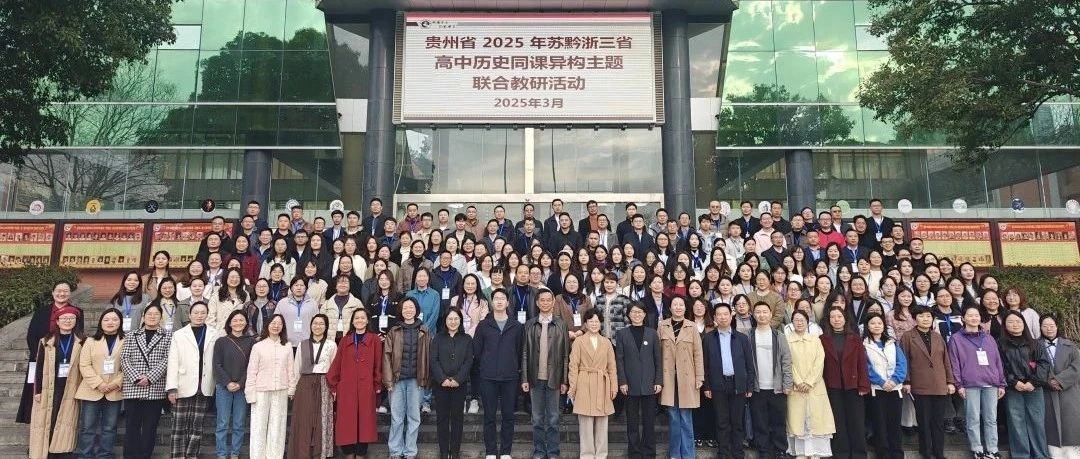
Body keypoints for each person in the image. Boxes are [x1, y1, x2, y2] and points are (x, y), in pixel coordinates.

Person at [19, 280, 84, 425]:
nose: (62, 293)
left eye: (65, 291)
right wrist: (39, 354)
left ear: (70, 293)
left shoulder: (77, 312)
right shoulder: (41, 311)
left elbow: (79, 335)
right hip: (40, 357)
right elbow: (31, 335)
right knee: (35, 392)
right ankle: (36, 427)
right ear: (53, 293)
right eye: (58, 291)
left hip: (64, 359)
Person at [948, 305, 1007, 459]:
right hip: (970, 383)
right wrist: (959, 384)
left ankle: (992, 449)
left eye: (976, 315)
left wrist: (1001, 383)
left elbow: (997, 361)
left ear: (980, 318)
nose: (974, 318)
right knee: (973, 418)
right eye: (970, 315)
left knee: (991, 419)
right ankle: (977, 448)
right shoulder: (956, 339)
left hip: (991, 383)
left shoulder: (988, 338)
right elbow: (954, 362)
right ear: (963, 318)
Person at [899, 305, 956, 459]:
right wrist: (906, 380)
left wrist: (950, 381)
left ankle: (939, 452)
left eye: (928, 316)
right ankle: (926, 451)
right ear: (915, 318)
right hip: (919, 384)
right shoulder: (907, 336)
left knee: (938, 421)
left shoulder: (937, 337)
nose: (926, 319)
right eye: (921, 316)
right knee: (923, 421)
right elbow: (904, 360)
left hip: (939, 383)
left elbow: (946, 361)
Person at [472, 289, 523, 459]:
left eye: (503, 298)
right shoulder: (483, 325)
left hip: (510, 377)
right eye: (496, 298)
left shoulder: (516, 326)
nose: (499, 301)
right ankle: (491, 451)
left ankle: (506, 451)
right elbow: (477, 350)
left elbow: (519, 350)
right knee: (489, 416)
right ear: (492, 302)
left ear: (508, 303)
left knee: (508, 416)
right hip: (488, 377)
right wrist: (487, 364)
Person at [165, 301, 219, 458]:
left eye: (203, 313)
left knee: (197, 426)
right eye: (196, 312)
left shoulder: (214, 333)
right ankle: (178, 456)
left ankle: (191, 455)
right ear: (189, 315)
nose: (199, 315)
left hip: (204, 384)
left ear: (207, 315)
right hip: (182, 384)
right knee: (179, 425)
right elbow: (173, 361)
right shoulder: (179, 334)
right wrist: (172, 388)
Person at [327, 308, 384, 459]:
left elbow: (378, 364)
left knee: (365, 422)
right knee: (346, 421)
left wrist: (377, 384)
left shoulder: (374, 340)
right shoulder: (345, 340)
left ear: (367, 320)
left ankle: (360, 453)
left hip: (366, 387)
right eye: (356, 318)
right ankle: (348, 453)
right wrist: (334, 384)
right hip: (346, 388)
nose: (359, 320)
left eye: (362, 318)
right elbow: (337, 363)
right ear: (352, 321)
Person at [702, 302, 756, 459]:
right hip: (717, 385)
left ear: (731, 316)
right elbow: (705, 365)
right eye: (719, 314)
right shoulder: (708, 338)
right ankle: (724, 453)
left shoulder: (742, 338)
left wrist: (749, 386)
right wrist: (707, 386)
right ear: (714, 317)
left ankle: (738, 453)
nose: (723, 317)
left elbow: (749, 364)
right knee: (722, 421)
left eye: (726, 314)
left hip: (738, 384)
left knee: (737, 421)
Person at [29, 306, 83, 459]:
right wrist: (37, 390)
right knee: (48, 419)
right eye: (64, 318)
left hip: (70, 387)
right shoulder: (46, 341)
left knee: (66, 421)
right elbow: (39, 367)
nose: (68, 321)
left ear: (76, 321)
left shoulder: (82, 341)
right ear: (57, 322)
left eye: (71, 318)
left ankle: (61, 452)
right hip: (49, 386)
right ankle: (44, 452)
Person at [521, 288, 570, 459]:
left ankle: (553, 451)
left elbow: (565, 355)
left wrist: (564, 380)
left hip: (554, 378)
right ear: (537, 302)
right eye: (542, 300)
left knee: (553, 419)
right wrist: (525, 378)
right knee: (537, 419)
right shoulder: (530, 324)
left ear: (553, 302)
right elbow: (525, 353)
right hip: (535, 378)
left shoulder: (561, 324)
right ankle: (539, 451)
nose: (545, 303)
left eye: (549, 300)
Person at [120, 303, 172, 459]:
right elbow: (124, 358)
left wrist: (150, 377)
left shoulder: (168, 336)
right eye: (149, 313)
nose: (152, 316)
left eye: (156, 314)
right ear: (143, 316)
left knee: (150, 428)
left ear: (161, 317)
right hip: (133, 387)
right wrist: (136, 377)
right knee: (132, 427)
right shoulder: (131, 335)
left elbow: (168, 359)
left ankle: (144, 456)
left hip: (154, 388)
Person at [1000, 310, 1053, 459]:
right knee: (1016, 423)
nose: (1015, 324)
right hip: (1013, 389)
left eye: (1018, 321)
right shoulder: (1000, 344)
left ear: (1024, 324)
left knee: (1037, 422)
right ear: (1005, 325)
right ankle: (1021, 455)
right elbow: (1000, 367)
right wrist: (1013, 382)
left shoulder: (1035, 343)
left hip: (1034, 388)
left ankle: (1040, 455)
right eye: (1010, 322)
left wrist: (1033, 382)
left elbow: (1044, 364)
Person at [383, 298, 431, 459]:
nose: (408, 310)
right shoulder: (394, 330)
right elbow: (386, 356)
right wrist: (388, 381)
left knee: (414, 418)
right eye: (405, 308)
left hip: (416, 381)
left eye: (411, 307)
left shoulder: (424, 330)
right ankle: (395, 451)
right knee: (397, 418)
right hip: (396, 381)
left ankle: (410, 452)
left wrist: (426, 379)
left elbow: (428, 356)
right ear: (401, 311)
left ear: (416, 310)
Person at [820, 306, 870, 459]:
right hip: (833, 386)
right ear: (828, 320)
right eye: (832, 317)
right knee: (838, 421)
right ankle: (841, 453)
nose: (836, 320)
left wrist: (863, 385)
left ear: (845, 319)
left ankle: (859, 454)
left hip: (853, 386)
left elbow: (862, 363)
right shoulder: (823, 339)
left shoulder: (855, 338)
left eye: (839, 316)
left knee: (856, 421)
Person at [659, 295, 705, 459]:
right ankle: (674, 454)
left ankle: (688, 454)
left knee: (686, 418)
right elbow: (657, 354)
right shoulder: (662, 326)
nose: (678, 307)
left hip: (687, 378)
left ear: (686, 308)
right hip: (669, 378)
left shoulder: (692, 327)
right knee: (673, 417)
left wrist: (699, 377)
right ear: (670, 308)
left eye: (681, 305)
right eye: (675, 304)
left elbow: (698, 354)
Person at [568, 308, 618, 459]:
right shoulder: (579, 341)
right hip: (584, 381)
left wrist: (614, 386)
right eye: (591, 321)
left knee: (602, 422)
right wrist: (573, 387)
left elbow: (612, 366)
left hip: (603, 383)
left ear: (600, 323)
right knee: (586, 422)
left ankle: (601, 455)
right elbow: (573, 365)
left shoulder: (606, 342)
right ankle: (587, 455)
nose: (594, 324)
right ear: (585, 323)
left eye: (597, 321)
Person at [74, 308, 124, 458]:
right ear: (100, 322)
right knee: (87, 427)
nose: (110, 322)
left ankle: (105, 455)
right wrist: (99, 384)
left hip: (114, 390)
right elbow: (84, 365)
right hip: (92, 390)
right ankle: (85, 455)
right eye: (106, 319)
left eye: (114, 319)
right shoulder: (90, 341)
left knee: (110, 427)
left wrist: (115, 383)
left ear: (120, 322)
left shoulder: (127, 341)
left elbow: (129, 365)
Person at [615, 302, 662, 459]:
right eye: (634, 312)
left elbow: (658, 359)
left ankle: (649, 452)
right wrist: (622, 381)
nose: (637, 315)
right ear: (629, 314)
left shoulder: (652, 333)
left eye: (640, 312)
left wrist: (658, 381)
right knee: (632, 422)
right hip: (629, 384)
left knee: (649, 422)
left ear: (644, 314)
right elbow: (619, 360)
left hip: (649, 383)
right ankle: (634, 453)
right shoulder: (622, 334)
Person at [786, 309, 835, 458]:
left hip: (815, 386)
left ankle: (816, 453)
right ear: (792, 322)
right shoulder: (787, 340)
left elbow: (820, 361)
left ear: (807, 322)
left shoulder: (815, 339)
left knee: (817, 420)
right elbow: (788, 362)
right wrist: (799, 381)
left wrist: (809, 382)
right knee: (797, 420)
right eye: (796, 320)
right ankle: (801, 453)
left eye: (802, 320)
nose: (799, 323)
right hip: (796, 387)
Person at [748, 301, 794, 459]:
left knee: (778, 421)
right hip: (757, 387)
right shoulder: (748, 336)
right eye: (758, 312)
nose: (761, 315)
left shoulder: (779, 336)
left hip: (777, 387)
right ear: (753, 315)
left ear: (770, 314)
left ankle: (780, 450)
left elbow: (786, 361)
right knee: (760, 422)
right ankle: (764, 451)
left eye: (765, 312)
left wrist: (787, 383)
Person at [288, 314, 338, 458]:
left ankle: (320, 453)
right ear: (310, 326)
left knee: (321, 420)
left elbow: (334, 369)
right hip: (305, 383)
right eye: (315, 323)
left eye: (321, 323)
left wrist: (334, 389)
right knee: (304, 420)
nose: (318, 326)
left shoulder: (331, 345)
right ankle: (302, 453)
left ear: (326, 326)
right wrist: (293, 389)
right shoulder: (302, 344)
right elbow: (296, 367)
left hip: (324, 383)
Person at [246, 314, 295, 459]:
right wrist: (250, 393)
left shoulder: (287, 346)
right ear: (267, 325)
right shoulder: (258, 346)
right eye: (273, 323)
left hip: (281, 390)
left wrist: (292, 388)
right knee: (259, 426)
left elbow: (290, 369)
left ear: (283, 327)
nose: (276, 326)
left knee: (278, 427)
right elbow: (252, 371)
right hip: (261, 391)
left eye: (279, 323)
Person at [430, 307, 474, 459]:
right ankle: (444, 451)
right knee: (442, 418)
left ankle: (455, 451)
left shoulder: (467, 339)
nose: (453, 322)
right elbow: (433, 360)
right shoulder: (438, 338)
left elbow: (468, 361)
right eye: (450, 319)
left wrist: (458, 379)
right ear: (445, 321)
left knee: (457, 419)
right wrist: (442, 379)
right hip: (440, 385)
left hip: (459, 385)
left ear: (460, 320)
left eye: (456, 319)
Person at [862, 312, 908, 459]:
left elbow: (902, 363)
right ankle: (883, 454)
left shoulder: (892, 343)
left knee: (894, 424)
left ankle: (897, 454)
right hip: (877, 390)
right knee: (880, 424)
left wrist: (894, 380)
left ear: (884, 325)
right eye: (873, 323)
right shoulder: (864, 345)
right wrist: (881, 382)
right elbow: (866, 367)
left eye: (879, 323)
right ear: (867, 326)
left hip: (895, 389)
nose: (876, 326)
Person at [213, 309, 254, 459]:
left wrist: (240, 383)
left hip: (242, 388)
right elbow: (217, 364)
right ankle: (221, 454)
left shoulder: (251, 342)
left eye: (241, 320)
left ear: (246, 323)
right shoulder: (221, 341)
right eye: (235, 320)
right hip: (223, 387)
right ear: (229, 323)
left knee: (239, 423)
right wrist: (228, 382)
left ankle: (235, 453)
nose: (238, 323)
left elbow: (252, 366)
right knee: (222, 423)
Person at [1040, 314, 1080, 459]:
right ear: (1040, 328)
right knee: (1050, 426)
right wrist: (1048, 381)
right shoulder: (1036, 346)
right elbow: (1033, 367)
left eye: (1052, 325)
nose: (1049, 329)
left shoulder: (1070, 345)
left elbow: (1077, 366)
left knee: (1071, 424)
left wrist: (1059, 380)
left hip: (1069, 391)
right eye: (1045, 326)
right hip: (1046, 391)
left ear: (1057, 327)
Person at [276, 277, 318, 348]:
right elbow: (276, 321)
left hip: (306, 343)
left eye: (302, 285)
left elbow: (316, 323)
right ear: (291, 288)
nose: (299, 288)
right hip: (286, 343)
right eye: (296, 285)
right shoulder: (282, 303)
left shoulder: (313, 303)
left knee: (306, 356)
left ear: (306, 288)